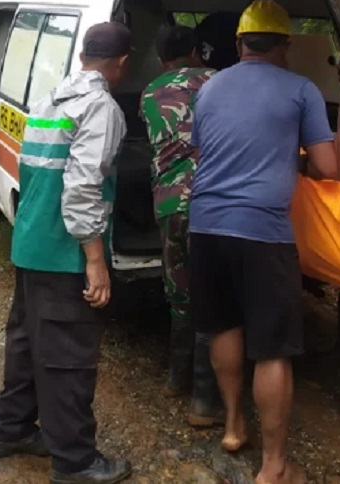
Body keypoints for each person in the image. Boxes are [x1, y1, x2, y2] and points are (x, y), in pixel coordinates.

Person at [189, 0, 338, 484]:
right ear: (286, 44)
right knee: (272, 349)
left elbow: (209, 147)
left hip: (206, 225)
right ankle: (274, 465)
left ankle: (233, 425)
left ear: (238, 42)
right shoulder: (301, 90)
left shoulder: (209, 88)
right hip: (262, 230)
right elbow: (328, 167)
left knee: (225, 327)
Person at [0, 22, 133, 484]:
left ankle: (11, 430)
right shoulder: (100, 107)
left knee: (28, 344)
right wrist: (95, 259)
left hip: (31, 242)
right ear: (122, 63)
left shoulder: (52, 97)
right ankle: (74, 461)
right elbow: (82, 188)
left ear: (82, 55)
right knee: (67, 358)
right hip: (62, 252)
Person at [139, 24, 223, 427]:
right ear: (196, 52)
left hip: (170, 203)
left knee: (180, 291)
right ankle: (205, 402)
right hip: (213, 202)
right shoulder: (218, 80)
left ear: (160, 59)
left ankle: (176, 378)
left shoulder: (149, 92)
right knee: (213, 294)